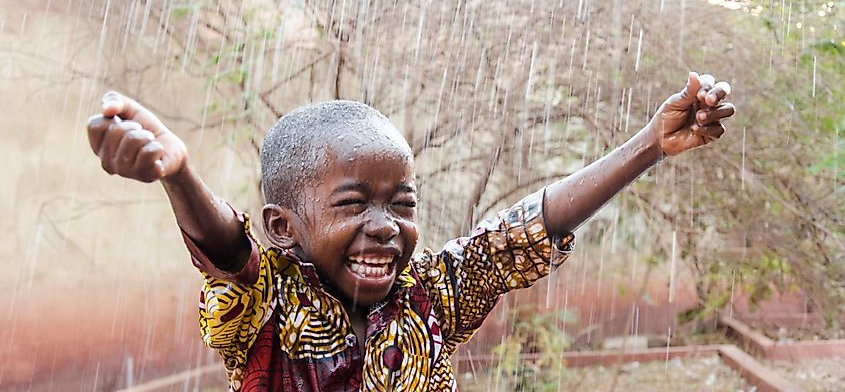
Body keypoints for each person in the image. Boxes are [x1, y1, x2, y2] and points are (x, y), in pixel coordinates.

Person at [86, 72, 734, 391]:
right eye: (352, 204)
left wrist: (648, 145)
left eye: (402, 203)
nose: (385, 228)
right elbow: (230, 257)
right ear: (283, 226)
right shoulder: (271, 301)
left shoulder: (430, 296)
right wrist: (179, 175)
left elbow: (522, 232)